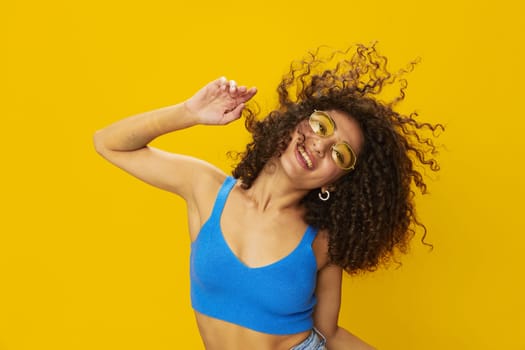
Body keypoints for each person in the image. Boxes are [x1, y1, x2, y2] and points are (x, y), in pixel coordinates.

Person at [93, 43, 442, 350]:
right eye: (322, 127)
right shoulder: (206, 189)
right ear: (297, 124)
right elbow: (109, 143)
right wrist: (189, 113)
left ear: (334, 183)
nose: (320, 145)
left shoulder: (322, 242)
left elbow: (329, 334)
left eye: (340, 155)